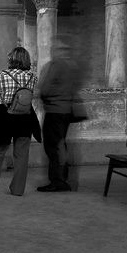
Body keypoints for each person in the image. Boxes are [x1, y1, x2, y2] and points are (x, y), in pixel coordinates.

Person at [0, 47, 41, 196]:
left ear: (11, 59)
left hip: (5, 117)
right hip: (25, 117)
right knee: (21, 156)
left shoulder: (2, 75)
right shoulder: (33, 77)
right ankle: (18, 189)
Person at [37, 42, 82, 192]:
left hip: (55, 110)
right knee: (61, 144)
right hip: (67, 110)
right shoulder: (73, 65)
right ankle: (64, 177)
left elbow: (46, 88)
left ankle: (58, 181)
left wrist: (44, 99)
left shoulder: (55, 65)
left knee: (54, 146)